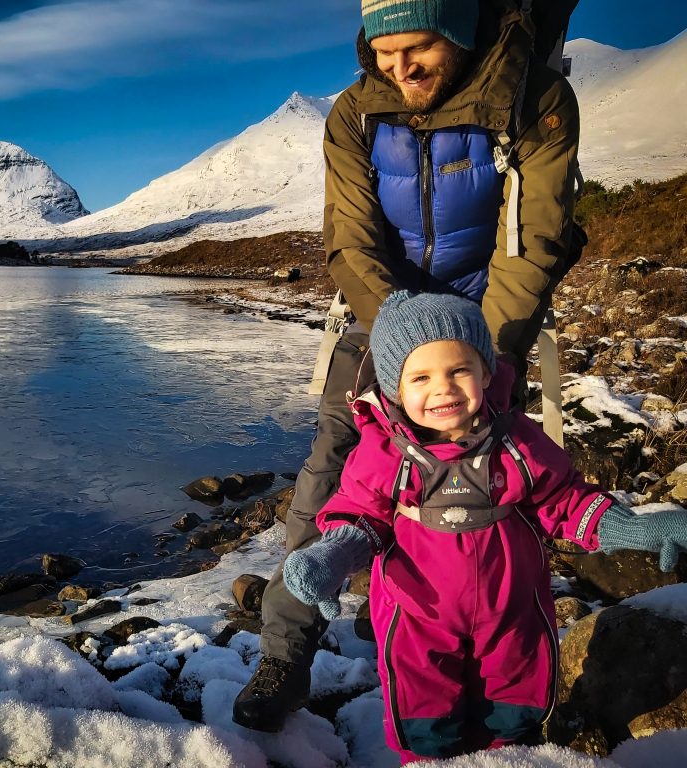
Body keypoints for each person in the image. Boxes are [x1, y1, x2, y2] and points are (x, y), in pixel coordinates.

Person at [233, 0, 584, 731]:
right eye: (385, 51)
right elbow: (351, 239)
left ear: (457, 26)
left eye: (418, 46)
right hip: (377, 318)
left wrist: (485, 356)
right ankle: (286, 655)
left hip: (490, 327)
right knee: (335, 469)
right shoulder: (357, 114)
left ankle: (498, 672)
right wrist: (401, 339)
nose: (400, 67)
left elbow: (531, 239)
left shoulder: (534, 98)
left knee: (499, 475)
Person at [281, 290, 687, 763]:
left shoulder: (516, 440)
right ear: (395, 388)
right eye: (421, 377)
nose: (443, 388)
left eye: (458, 370)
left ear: (486, 372)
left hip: (512, 611)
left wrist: (627, 527)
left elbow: (563, 498)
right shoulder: (383, 452)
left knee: (515, 713)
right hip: (418, 617)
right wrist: (331, 554)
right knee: (426, 720)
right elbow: (361, 515)